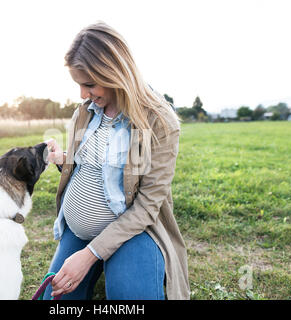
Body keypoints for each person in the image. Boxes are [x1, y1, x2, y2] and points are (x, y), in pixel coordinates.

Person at [45, 22, 189, 300]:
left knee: (130, 297)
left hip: (131, 231)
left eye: (88, 84)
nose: (82, 95)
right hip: (78, 232)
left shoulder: (159, 122)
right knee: (54, 298)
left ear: (114, 73)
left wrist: (89, 255)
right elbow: (90, 166)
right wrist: (62, 159)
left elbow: (148, 205)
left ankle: (118, 264)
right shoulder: (85, 111)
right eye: (79, 85)